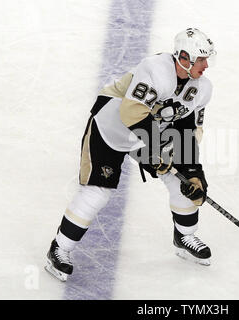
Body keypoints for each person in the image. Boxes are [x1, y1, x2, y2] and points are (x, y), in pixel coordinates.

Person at [45, 28, 216, 282]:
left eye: (207, 59)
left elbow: (190, 131)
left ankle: (184, 236)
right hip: (111, 126)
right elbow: (131, 113)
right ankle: (59, 248)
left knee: (181, 181)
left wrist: (193, 171)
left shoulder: (202, 88)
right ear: (183, 57)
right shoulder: (156, 69)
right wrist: (156, 149)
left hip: (147, 131)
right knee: (98, 192)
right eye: (200, 59)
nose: (206, 65)